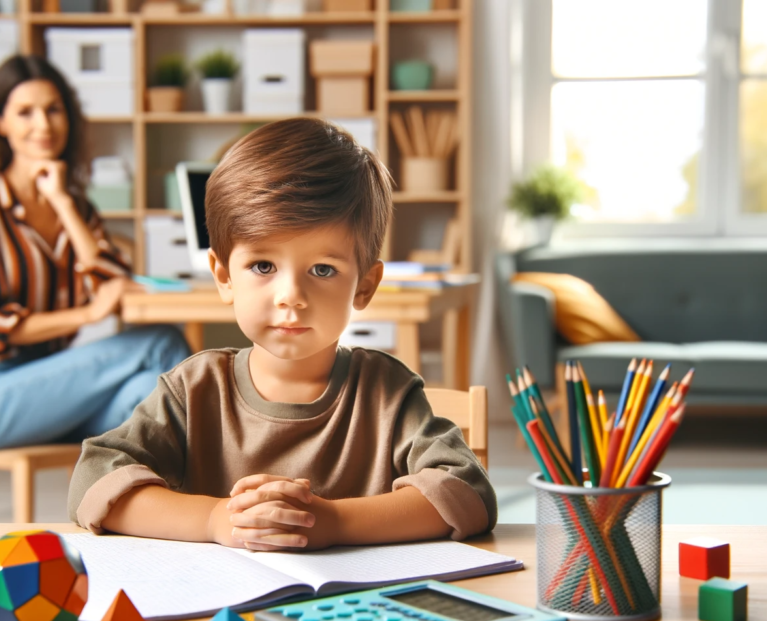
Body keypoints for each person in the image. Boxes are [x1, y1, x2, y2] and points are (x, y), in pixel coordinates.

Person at [68, 118, 495, 550]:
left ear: (364, 286)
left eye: (323, 270)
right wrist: (216, 520)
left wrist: (333, 522)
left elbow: (469, 492)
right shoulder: (193, 390)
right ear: (224, 276)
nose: (291, 296)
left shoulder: (387, 392)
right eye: (263, 266)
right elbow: (92, 478)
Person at [0, 55, 191, 453]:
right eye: (25, 112)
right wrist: (88, 315)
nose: (43, 124)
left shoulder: (76, 208)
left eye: (53, 110)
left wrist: (61, 202)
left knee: (154, 390)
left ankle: (144, 499)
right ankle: (207, 485)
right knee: (161, 344)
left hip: (56, 395)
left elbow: (114, 286)